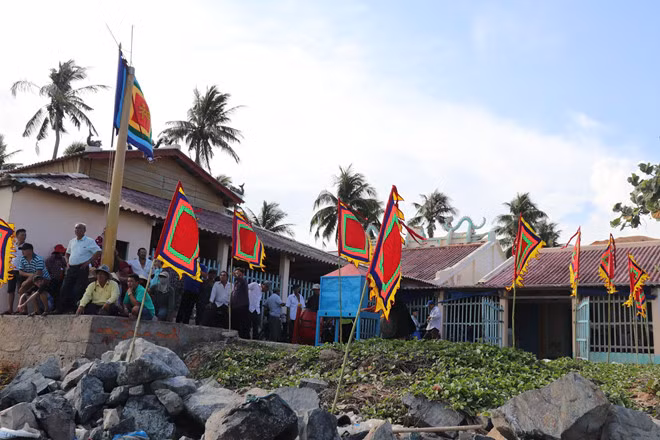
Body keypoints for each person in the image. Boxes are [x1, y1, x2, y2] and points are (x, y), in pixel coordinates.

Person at [59, 223, 102, 314]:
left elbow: (98, 251)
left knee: (78, 289)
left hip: (82, 268)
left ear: (84, 230)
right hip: (71, 268)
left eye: (79, 228)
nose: (77, 230)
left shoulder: (89, 241)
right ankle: (61, 309)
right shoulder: (72, 241)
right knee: (65, 287)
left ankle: (74, 309)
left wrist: (88, 262)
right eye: (76, 228)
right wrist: (67, 262)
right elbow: (67, 253)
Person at [5, 228, 26, 314]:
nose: (24, 237)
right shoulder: (12, 245)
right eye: (22, 235)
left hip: (21, 271)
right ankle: (10, 309)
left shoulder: (26, 247)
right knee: (10, 290)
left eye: (25, 235)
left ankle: (23, 309)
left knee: (21, 290)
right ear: (17, 236)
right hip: (11, 270)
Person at [231, 267, 250, 339]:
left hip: (242, 306)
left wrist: (236, 275)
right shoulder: (236, 283)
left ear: (242, 274)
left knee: (243, 324)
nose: (236, 274)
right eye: (236, 273)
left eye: (238, 273)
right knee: (235, 323)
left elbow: (240, 279)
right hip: (235, 306)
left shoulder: (243, 281)